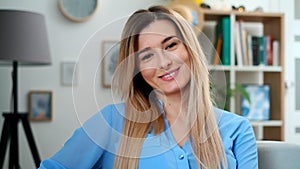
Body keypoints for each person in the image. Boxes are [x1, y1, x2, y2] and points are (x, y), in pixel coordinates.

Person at [38, 5, 258, 169]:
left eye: (171, 45)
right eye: (147, 56)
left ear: (190, 50)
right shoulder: (111, 121)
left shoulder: (237, 130)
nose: (163, 62)